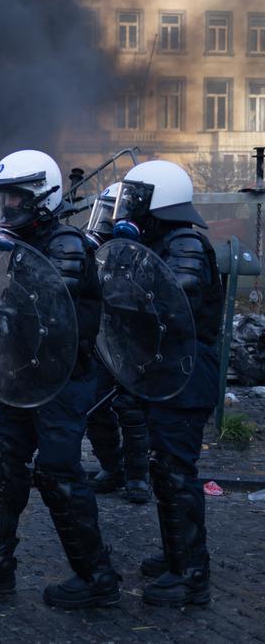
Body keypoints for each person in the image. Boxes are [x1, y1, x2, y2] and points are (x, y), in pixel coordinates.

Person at [0, 150, 120, 609]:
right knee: (2, 461)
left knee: (59, 473)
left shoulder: (66, 246)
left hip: (61, 381)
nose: (7, 208)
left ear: (42, 198)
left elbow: (54, 317)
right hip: (22, 375)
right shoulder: (23, 245)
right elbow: (18, 307)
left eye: (17, 198)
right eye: (2, 198)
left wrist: (6, 318)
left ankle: (97, 577)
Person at [109, 160, 222, 607]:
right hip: (165, 370)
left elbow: (174, 299)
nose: (128, 209)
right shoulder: (161, 240)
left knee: (178, 473)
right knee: (164, 470)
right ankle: (178, 552)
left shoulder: (186, 242)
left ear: (161, 202)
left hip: (187, 372)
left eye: (136, 200)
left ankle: (192, 575)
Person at [83, 182, 150, 504]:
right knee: (94, 404)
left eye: (114, 214)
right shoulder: (95, 251)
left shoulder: (146, 250)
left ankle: (138, 477)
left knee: (130, 408)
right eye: (105, 214)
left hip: (135, 342)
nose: (107, 222)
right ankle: (112, 467)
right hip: (102, 337)